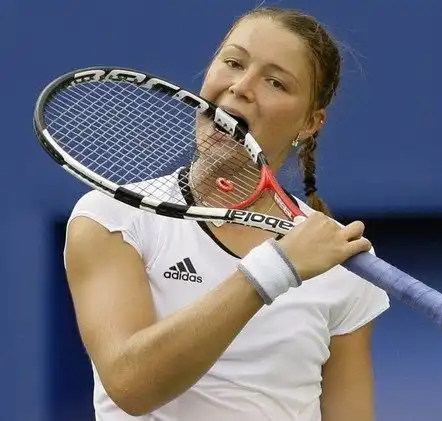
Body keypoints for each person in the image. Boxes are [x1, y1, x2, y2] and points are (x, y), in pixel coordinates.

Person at [64, 6, 390, 421]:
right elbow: (132, 385)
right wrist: (277, 267)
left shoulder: (340, 261)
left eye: (275, 82)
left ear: (310, 122)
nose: (241, 87)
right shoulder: (113, 217)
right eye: (233, 63)